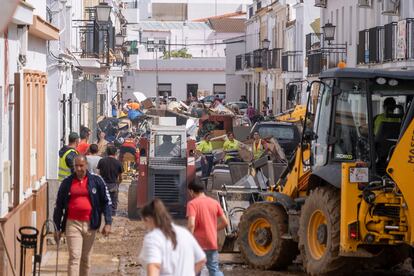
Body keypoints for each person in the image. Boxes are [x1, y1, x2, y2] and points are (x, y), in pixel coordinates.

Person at [53, 155, 112, 276]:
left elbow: (106, 202)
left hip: (91, 224)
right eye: (76, 166)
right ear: (73, 167)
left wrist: (108, 222)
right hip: (72, 224)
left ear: (86, 165)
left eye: (81, 165)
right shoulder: (67, 182)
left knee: (86, 259)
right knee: (74, 257)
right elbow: (58, 206)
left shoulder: (97, 180)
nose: (79, 169)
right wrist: (57, 228)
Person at [139, 199, 206, 276]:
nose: (145, 226)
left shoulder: (153, 238)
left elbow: (154, 266)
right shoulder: (185, 233)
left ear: (148, 219)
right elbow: (201, 259)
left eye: (144, 222)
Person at [187, 180, 228, 276]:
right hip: (211, 241)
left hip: (197, 243)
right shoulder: (214, 202)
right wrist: (212, 229)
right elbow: (225, 223)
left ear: (192, 191)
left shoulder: (192, 204)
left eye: (189, 192)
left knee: (195, 270)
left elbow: (191, 224)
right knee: (214, 269)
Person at [97, 146, 123, 216]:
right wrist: (117, 184)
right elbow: (120, 177)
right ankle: (112, 216)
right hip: (113, 185)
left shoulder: (102, 161)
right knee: (113, 203)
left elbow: (98, 174)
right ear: (115, 153)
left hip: (103, 185)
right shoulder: (118, 163)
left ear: (107, 152)